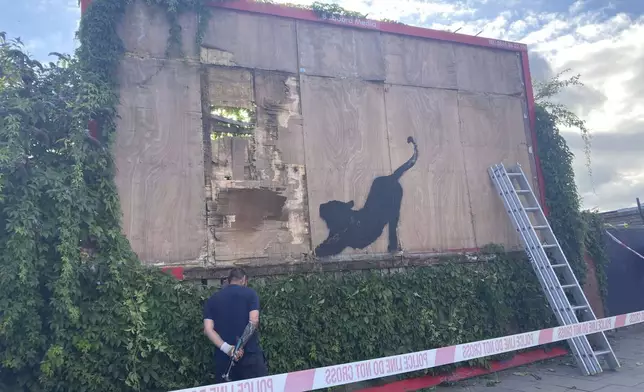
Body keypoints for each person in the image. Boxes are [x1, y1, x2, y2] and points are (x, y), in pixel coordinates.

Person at [203, 268, 268, 383]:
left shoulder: (212, 299)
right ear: (244, 280)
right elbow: (254, 321)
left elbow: (208, 329)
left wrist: (229, 349)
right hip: (249, 356)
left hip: (224, 359)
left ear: (228, 281)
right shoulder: (250, 294)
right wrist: (239, 348)